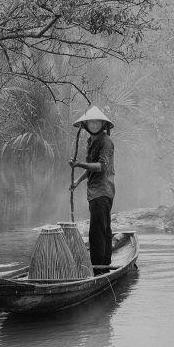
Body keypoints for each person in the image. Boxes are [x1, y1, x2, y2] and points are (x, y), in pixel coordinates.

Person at [68, 106, 115, 273]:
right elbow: (90, 169)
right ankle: (104, 265)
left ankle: (97, 269)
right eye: (91, 122)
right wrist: (77, 181)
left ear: (103, 124)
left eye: (97, 122)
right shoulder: (91, 141)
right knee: (103, 228)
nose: (94, 124)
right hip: (95, 192)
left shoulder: (106, 141)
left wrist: (79, 164)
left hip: (102, 191)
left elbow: (101, 166)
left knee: (96, 231)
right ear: (86, 125)